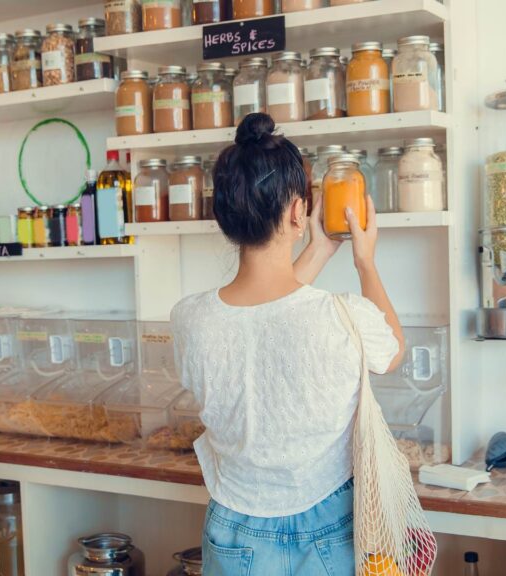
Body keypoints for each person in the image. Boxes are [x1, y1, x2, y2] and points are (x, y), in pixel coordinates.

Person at [171, 113, 405, 575]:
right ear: (299, 211)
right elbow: (392, 350)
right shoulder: (342, 316)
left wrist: (317, 249)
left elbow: (267, 313)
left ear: (224, 216)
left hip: (231, 525)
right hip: (327, 527)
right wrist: (365, 262)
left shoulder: (189, 318)